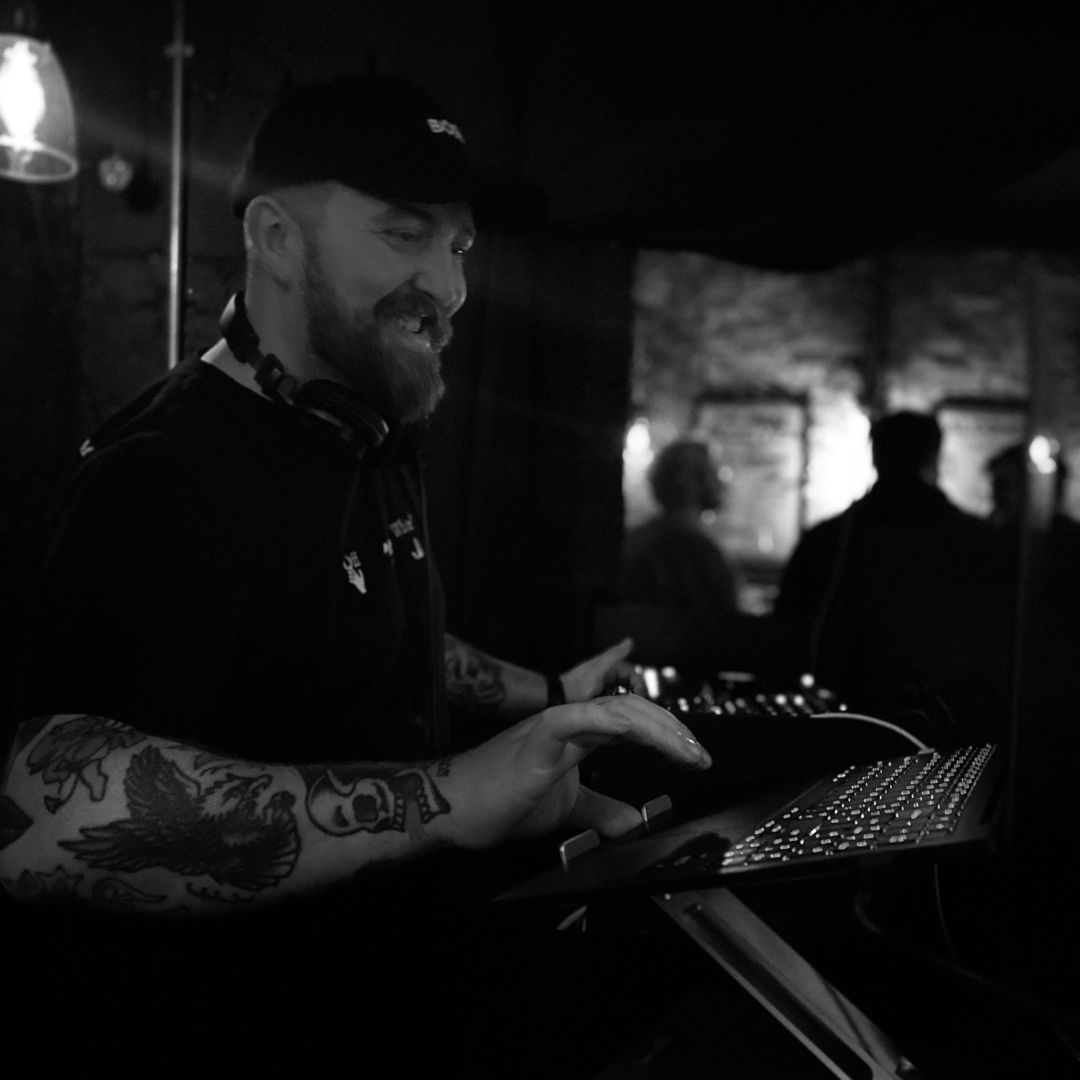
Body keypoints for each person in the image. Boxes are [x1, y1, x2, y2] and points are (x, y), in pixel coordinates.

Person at [0, 75, 711, 1071]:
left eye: (458, 247)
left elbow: (358, 628)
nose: (450, 288)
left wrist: (547, 697)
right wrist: (450, 798)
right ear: (275, 238)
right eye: (404, 234)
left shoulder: (363, 429)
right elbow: (42, 811)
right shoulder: (165, 475)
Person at [773, 410, 1004, 741]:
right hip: (951, 722)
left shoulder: (828, 539)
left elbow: (790, 631)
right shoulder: (976, 540)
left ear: (875, 456)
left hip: (846, 718)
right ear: (933, 458)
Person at [615, 439, 739, 677]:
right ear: (690, 482)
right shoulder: (696, 547)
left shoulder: (639, 537)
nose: (722, 481)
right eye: (711, 471)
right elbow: (726, 628)